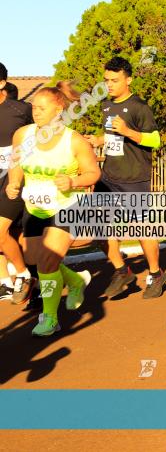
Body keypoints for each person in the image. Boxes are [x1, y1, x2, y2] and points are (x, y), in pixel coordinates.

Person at [5, 87, 101, 335]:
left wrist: (73, 182)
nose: (35, 112)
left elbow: (93, 173)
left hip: (68, 206)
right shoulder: (22, 135)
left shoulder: (74, 141)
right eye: (34, 107)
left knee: (47, 264)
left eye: (41, 108)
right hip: (35, 207)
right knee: (35, 261)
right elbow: (16, 162)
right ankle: (75, 280)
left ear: (59, 110)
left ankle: (49, 317)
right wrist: (14, 182)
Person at [83, 57, 166, 299]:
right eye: (106, 80)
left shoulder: (139, 106)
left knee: (142, 229)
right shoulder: (107, 106)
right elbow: (113, 138)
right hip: (108, 177)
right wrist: (99, 140)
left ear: (128, 79)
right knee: (98, 227)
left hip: (133, 178)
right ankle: (122, 271)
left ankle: (156, 273)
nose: (109, 85)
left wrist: (128, 131)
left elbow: (155, 140)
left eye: (115, 80)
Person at [0, 63, 35, 303]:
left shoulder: (21, 109)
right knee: (10, 233)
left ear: (2, 83)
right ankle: (6, 282)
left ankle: (23, 275)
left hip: (15, 179)